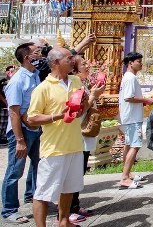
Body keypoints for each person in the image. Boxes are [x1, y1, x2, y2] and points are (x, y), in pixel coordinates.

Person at [26, 48, 88, 227]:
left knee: (69, 189)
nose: (73, 61)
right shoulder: (43, 88)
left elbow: (81, 110)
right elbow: (32, 118)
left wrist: (85, 103)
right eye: (69, 58)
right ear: (55, 62)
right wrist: (58, 116)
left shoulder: (76, 81)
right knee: (43, 193)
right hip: (54, 148)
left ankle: (64, 221)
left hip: (74, 144)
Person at [2, 40, 42, 224]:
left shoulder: (35, 75)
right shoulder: (18, 80)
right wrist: (19, 140)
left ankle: (32, 196)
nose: (40, 55)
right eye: (36, 52)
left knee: (38, 164)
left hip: (34, 128)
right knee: (15, 171)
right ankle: (9, 210)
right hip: (21, 132)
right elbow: (14, 112)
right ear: (27, 57)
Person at [68, 56, 106, 224]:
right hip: (78, 133)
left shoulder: (82, 83)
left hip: (84, 134)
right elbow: (79, 110)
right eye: (83, 64)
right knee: (75, 172)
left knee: (80, 171)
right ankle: (69, 210)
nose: (87, 66)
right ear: (75, 69)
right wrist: (94, 96)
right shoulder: (75, 84)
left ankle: (75, 206)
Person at [118, 52, 153, 190]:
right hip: (132, 117)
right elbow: (128, 97)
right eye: (138, 61)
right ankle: (125, 178)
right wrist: (146, 100)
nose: (141, 64)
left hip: (131, 116)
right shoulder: (130, 78)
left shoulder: (129, 77)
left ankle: (127, 173)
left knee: (129, 145)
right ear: (130, 63)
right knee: (135, 145)